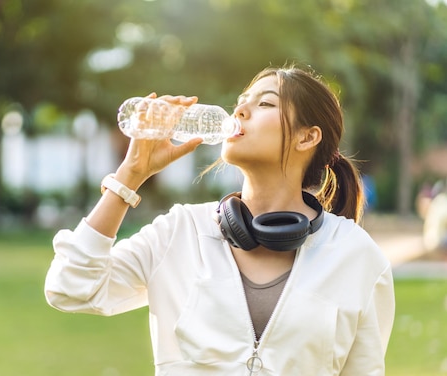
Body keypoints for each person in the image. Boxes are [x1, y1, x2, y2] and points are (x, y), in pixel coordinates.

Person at [44, 65, 395, 375]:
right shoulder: (179, 232)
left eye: (265, 103)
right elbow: (70, 288)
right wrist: (130, 175)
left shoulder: (357, 256)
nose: (240, 109)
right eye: (243, 101)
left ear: (307, 136)